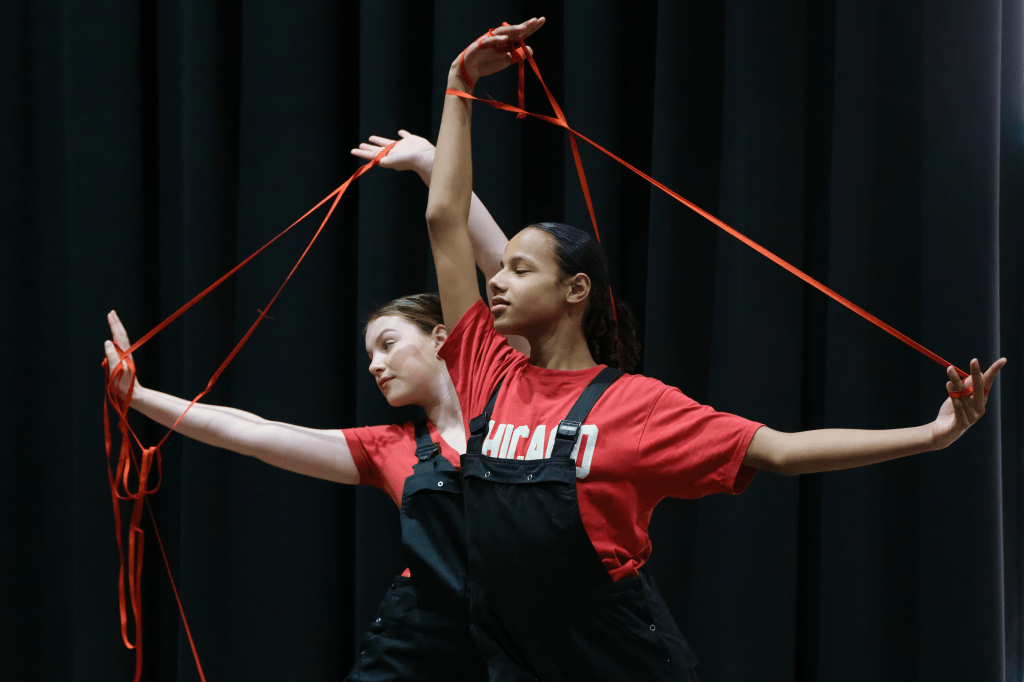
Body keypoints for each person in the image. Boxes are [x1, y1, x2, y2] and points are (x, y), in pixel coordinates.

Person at [424, 17, 1007, 681]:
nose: (496, 281)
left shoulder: (637, 406)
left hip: (620, 662)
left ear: (576, 289)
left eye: (520, 269)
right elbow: (444, 220)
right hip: (518, 660)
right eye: (498, 269)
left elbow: (781, 451)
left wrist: (931, 435)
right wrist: (460, 85)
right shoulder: (485, 370)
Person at [104, 132, 517, 682]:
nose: (374, 365)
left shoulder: (513, 392)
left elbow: (506, 271)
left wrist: (429, 163)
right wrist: (138, 397)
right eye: (369, 355)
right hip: (416, 651)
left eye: (388, 344)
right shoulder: (390, 449)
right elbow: (252, 432)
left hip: (519, 645)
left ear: (443, 337)